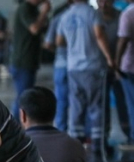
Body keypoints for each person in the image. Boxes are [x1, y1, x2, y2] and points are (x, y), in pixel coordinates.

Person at [56, 0, 114, 150]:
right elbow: (99, 34)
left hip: (73, 68)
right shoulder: (92, 13)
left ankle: (76, 142)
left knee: (76, 105)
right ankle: (98, 144)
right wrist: (109, 58)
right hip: (93, 66)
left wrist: (75, 44)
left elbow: (59, 41)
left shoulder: (65, 15)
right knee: (96, 106)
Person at [9, 0, 50, 120]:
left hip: (29, 62)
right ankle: (15, 128)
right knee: (23, 98)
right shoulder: (25, 8)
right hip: (23, 62)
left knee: (24, 96)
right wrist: (44, 12)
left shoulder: (33, 10)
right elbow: (34, 29)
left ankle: (17, 127)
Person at [98, 0, 130, 142]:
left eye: (106, 1)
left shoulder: (122, 15)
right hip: (100, 68)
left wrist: (117, 64)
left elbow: (124, 41)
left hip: (120, 67)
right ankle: (103, 135)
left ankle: (128, 133)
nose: (103, 4)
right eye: (100, 1)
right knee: (102, 104)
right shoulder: (94, 17)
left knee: (123, 102)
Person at [44, 0, 72, 132]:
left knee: (61, 101)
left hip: (61, 64)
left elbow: (48, 44)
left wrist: (59, 51)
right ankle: (85, 136)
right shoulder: (92, 15)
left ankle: (61, 131)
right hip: (82, 66)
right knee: (84, 102)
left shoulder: (59, 17)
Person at [118, 0, 134, 144]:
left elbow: (123, 41)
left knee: (132, 104)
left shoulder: (128, 13)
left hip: (130, 66)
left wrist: (115, 64)